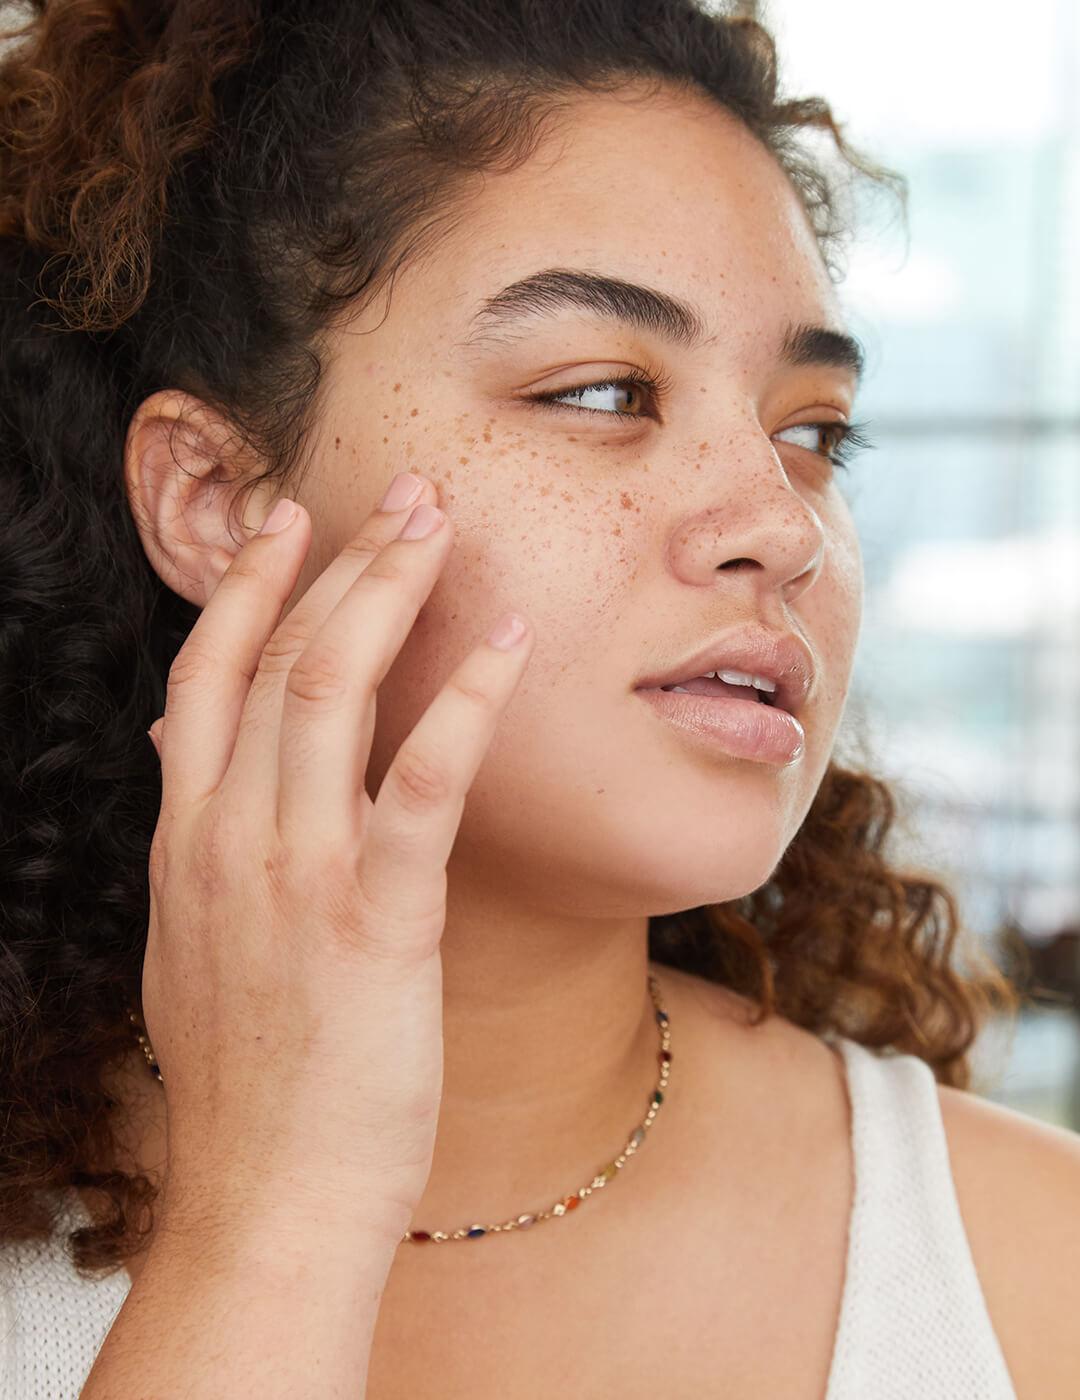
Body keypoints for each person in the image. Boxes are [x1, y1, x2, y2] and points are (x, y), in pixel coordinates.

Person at [0, 0, 1077, 1395]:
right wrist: (271, 1221)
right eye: (603, 393)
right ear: (216, 499)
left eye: (814, 430)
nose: (781, 524)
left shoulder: (1039, 1271)